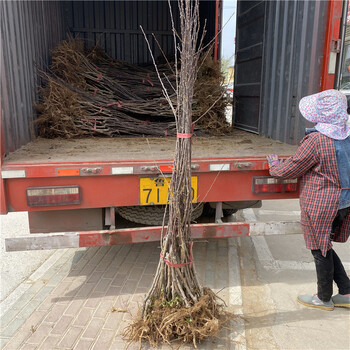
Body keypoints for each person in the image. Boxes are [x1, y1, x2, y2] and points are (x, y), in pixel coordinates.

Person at [267, 89, 350, 311]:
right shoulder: (348, 135)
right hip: (344, 202)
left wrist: (274, 165)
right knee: (326, 246)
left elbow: (291, 168)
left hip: (321, 204)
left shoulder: (316, 140)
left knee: (319, 249)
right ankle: (347, 291)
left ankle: (323, 298)